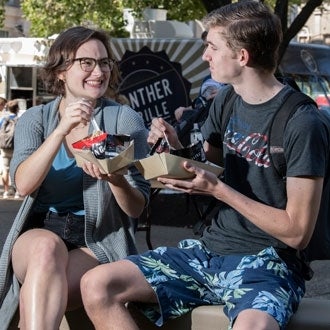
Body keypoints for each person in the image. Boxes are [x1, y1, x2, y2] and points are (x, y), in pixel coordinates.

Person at [80, 2, 329, 330]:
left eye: (212, 47)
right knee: (98, 285)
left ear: (242, 56)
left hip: (269, 264)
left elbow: (298, 232)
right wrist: (174, 147)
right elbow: (210, 167)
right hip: (208, 250)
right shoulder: (226, 101)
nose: (205, 56)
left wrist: (220, 191)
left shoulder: (303, 122)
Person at [0, 26, 150, 329]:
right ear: (61, 71)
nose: (99, 71)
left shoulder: (123, 119)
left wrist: (116, 179)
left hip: (96, 239)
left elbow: (137, 208)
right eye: (87, 62)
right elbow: (24, 185)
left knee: (39, 295)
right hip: (40, 231)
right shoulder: (36, 119)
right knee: (46, 249)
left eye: (104, 62)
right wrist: (60, 130)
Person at [0, 99, 19, 198]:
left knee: (5, 169)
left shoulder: (4, 119)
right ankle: (16, 192)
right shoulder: (19, 120)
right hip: (16, 147)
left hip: (5, 147)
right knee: (16, 169)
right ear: (17, 109)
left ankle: (6, 192)